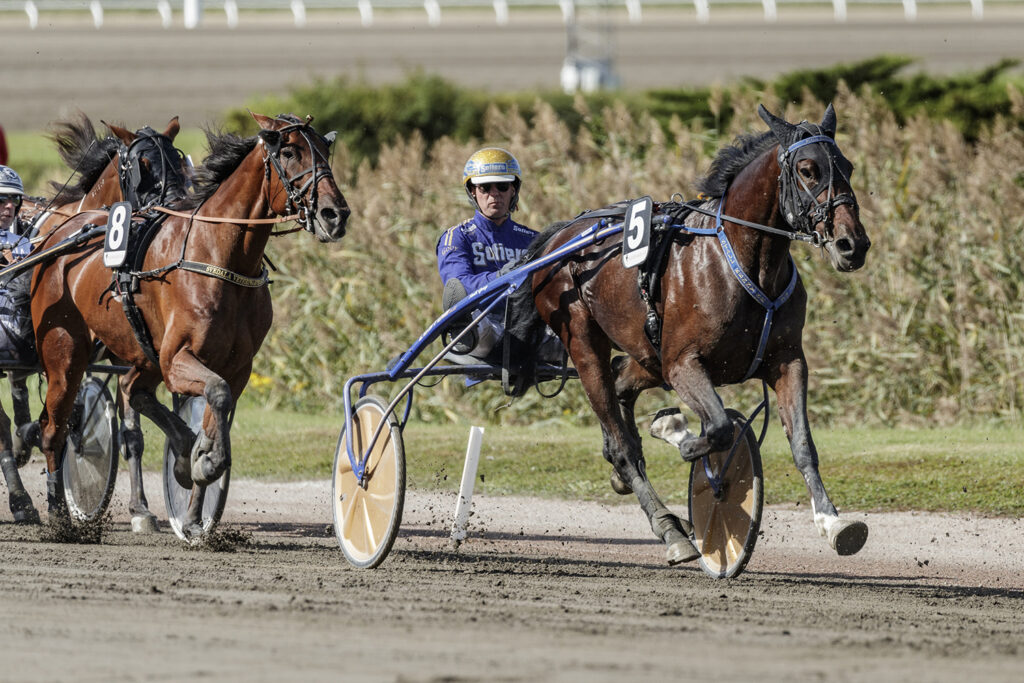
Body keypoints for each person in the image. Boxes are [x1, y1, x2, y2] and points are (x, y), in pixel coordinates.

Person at [436, 148, 538, 362]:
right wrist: (503, 277)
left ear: (513, 190)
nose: (494, 193)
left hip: (527, 324)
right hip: (482, 325)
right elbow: (458, 287)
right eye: (485, 187)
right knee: (474, 321)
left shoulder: (533, 239)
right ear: (472, 191)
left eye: (502, 186)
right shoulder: (456, 237)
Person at [0, 165, 39, 524]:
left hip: (23, 325)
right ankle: (15, 488)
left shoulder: (30, 234)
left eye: (12, 200)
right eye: (0, 201)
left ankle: (29, 424)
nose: (7, 207)